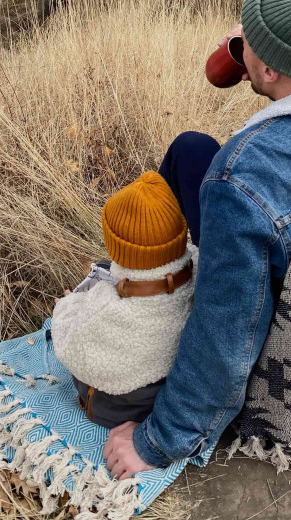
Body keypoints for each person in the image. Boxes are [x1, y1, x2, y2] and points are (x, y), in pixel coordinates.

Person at [104, 0, 291, 479]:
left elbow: (228, 335)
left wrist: (156, 442)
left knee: (209, 184)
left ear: (266, 68)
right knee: (190, 147)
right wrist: (264, 47)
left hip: (280, 294)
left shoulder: (238, 181)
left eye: (250, 46)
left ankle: (159, 289)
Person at [52, 172, 196, 429]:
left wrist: (66, 307)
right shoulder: (202, 272)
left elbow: (70, 348)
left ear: (115, 245)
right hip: (167, 395)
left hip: (120, 408)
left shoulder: (104, 306)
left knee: (72, 310)